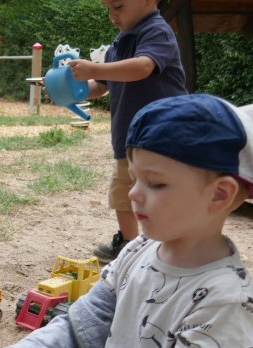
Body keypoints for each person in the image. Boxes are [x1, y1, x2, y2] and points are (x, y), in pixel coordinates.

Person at [0, 94, 253, 348]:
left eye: (155, 183)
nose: (133, 194)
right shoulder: (141, 248)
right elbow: (87, 322)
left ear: (219, 195)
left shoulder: (227, 300)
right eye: (134, 178)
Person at [68, 0, 188, 263]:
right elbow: (101, 85)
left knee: (161, 194)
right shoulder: (119, 43)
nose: (112, 15)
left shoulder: (157, 31)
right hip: (128, 138)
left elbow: (142, 67)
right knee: (123, 193)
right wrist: (69, 89)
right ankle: (129, 245)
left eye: (118, 7)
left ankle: (169, 245)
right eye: (108, 9)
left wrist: (95, 67)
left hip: (162, 137)